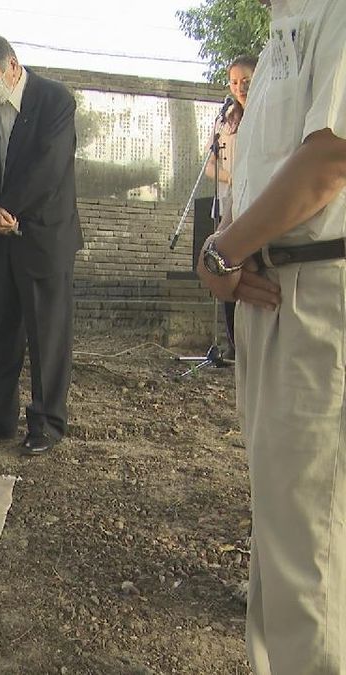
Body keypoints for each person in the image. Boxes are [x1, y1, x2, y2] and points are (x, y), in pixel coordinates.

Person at [195, 1, 346, 670]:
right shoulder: (291, 19)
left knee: (307, 540)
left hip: (314, 293)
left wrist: (224, 251)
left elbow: (331, 159)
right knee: (281, 528)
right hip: (271, 289)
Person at [0, 35, 81, 456]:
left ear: (12, 65)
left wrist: (6, 209)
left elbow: (50, 167)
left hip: (43, 235)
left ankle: (46, 423)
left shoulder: (54, 100)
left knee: (47, 332)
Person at [203, 54, 257, 361]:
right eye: (235, 82)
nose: (240, 87)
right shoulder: (224, 122)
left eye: (246, 81)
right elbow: (210, 166)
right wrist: (232, 176)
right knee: (225, 264)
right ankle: (234, 344)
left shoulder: (265, 115)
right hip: (229, 202)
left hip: (258, 203)